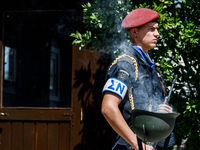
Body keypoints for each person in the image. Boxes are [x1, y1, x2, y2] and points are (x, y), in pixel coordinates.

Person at [101, 8, 173, 150]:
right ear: (134, 32)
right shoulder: (125, 64)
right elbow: (108, 108)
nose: (157, 34)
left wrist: (160, 112)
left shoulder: (151, 66)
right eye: (151, 29)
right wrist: (136, 144)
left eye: (157, 29)